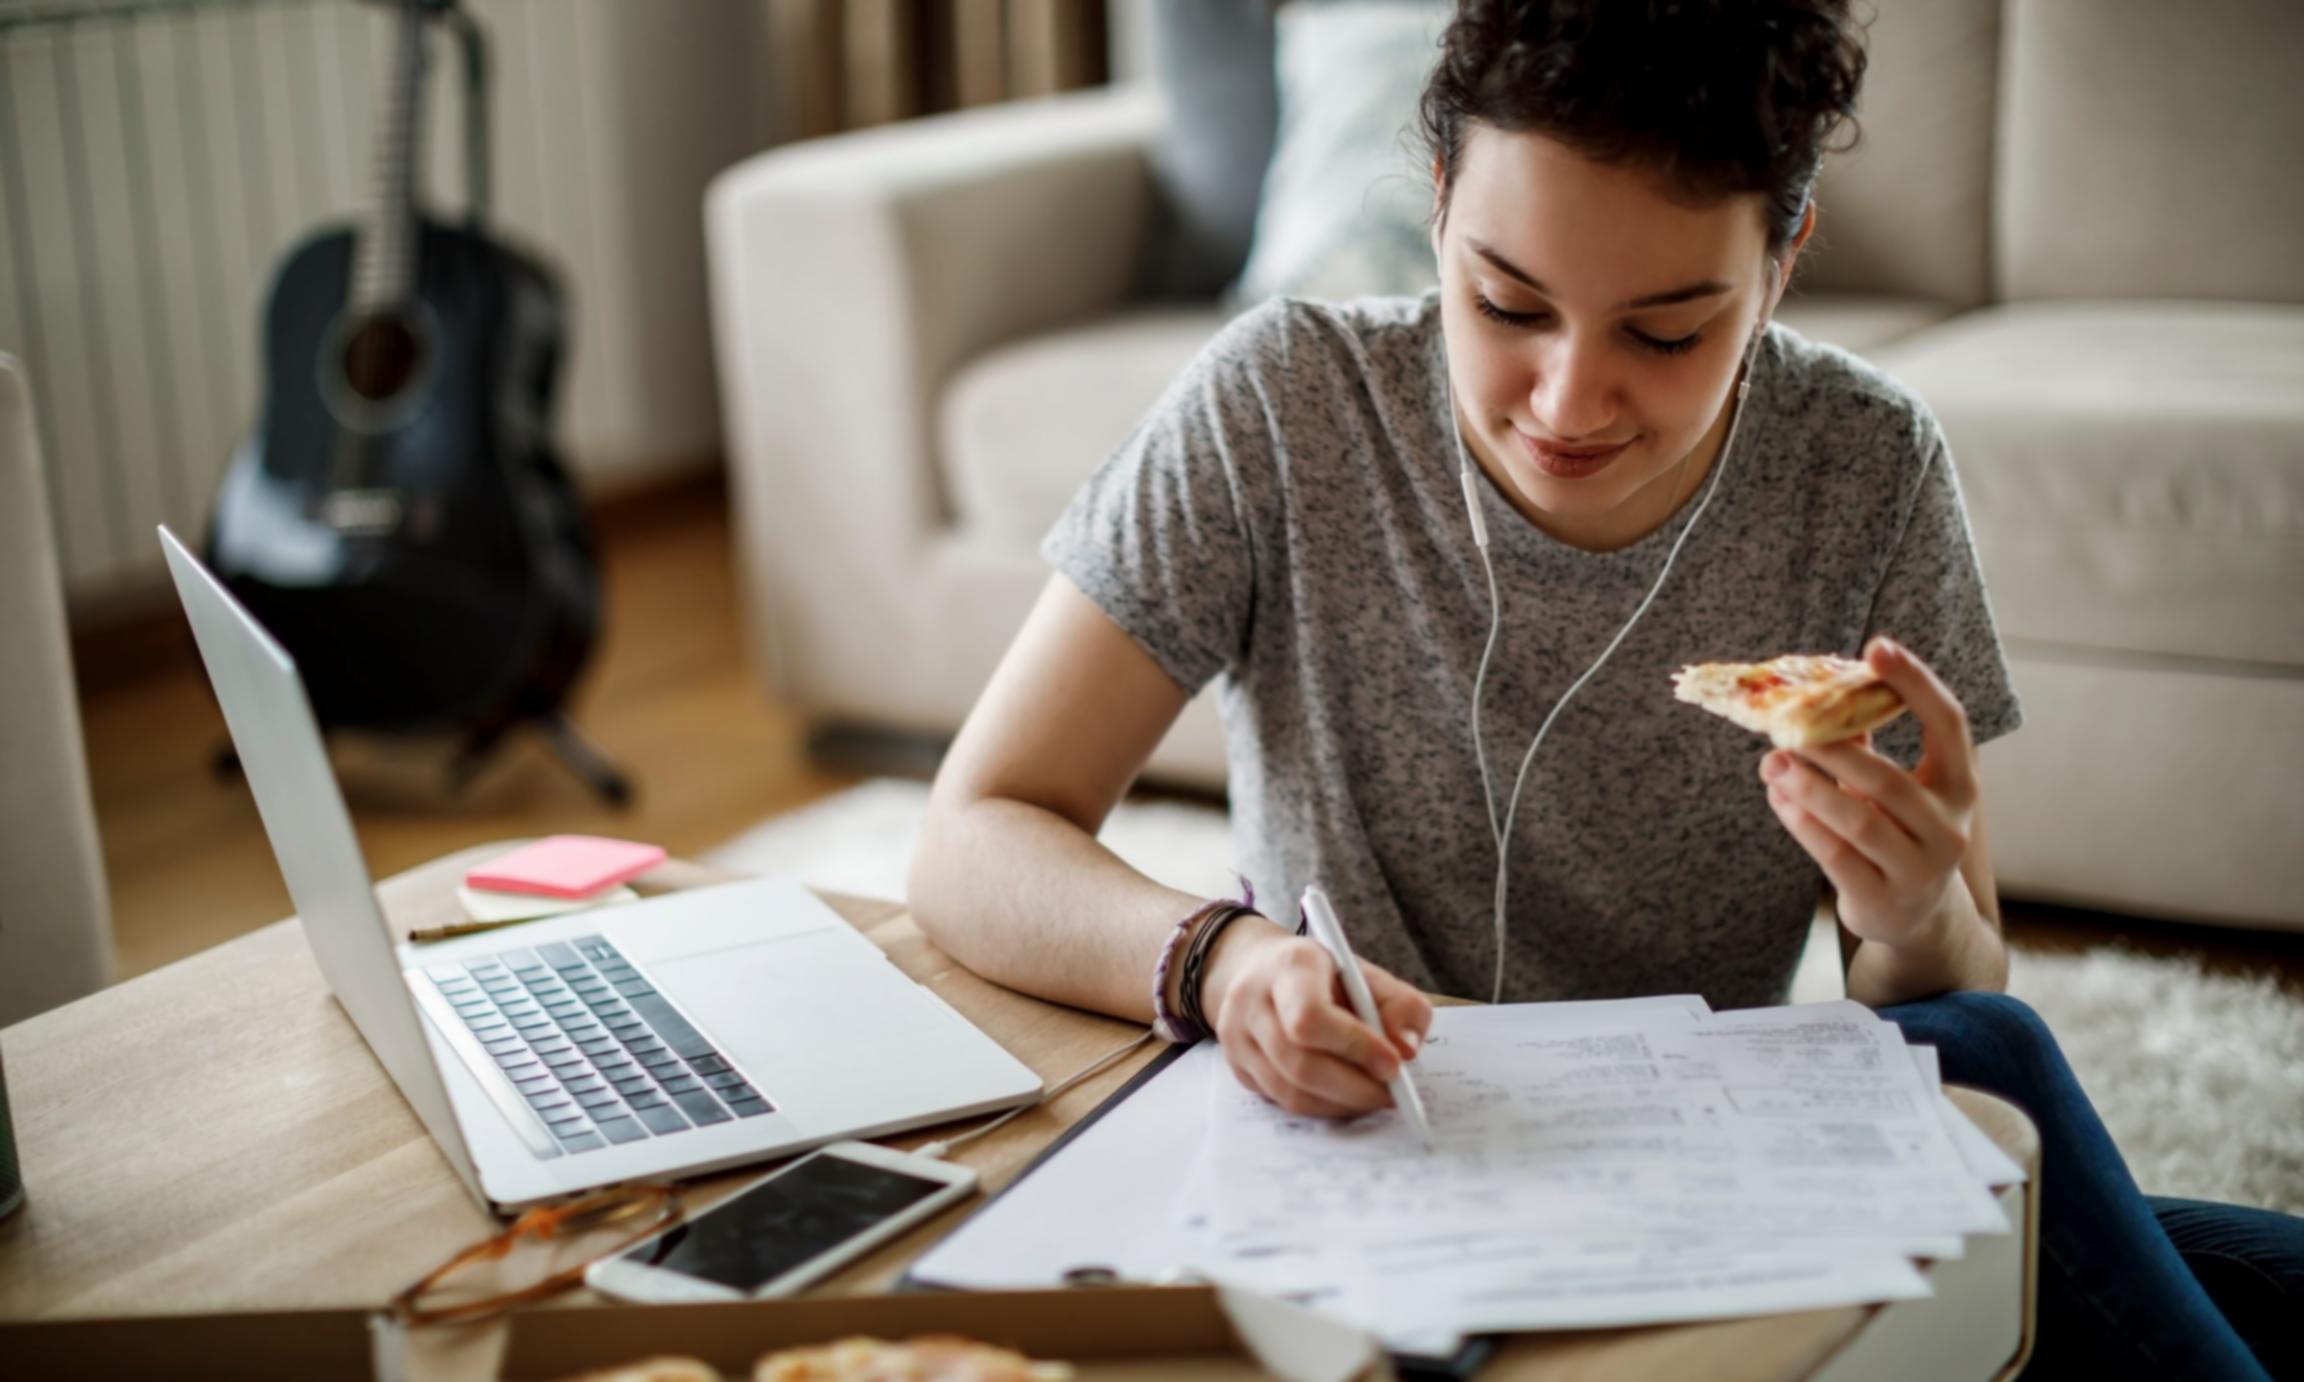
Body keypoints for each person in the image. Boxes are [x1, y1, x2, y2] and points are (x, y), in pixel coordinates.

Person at [906, 2, 2301, 1376]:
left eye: (1667, 334)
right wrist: (1225, 963)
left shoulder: (1863, 466)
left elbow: (1953, 999)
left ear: (1781, 263)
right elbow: (975, 834)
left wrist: (1914, 911)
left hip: (1704, 1173)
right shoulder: (1283, 405)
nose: (1567, 404)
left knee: (1998, 1055)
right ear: (1438, 202)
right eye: (1507, 305)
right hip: (1377, 1146)